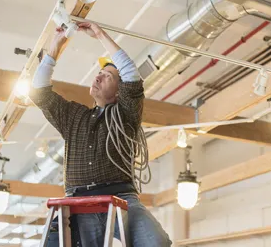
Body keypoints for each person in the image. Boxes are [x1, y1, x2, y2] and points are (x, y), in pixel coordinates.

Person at [30, 22, 172, 246]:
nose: (97, 78)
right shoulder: (74, 117)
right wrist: (55, 46)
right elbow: (38, 91)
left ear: (119, 93)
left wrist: (100, 35)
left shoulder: (125, 114)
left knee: (156, 242)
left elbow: (132, 78)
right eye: (99, 73)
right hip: (76, 201)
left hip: (121, 199)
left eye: (107, 76)